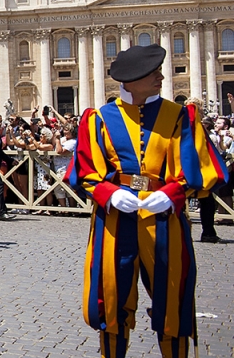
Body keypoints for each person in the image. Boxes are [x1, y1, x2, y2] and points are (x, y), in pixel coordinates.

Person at [68, 44, 227, 358]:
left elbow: (196, 169)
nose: (161, 76)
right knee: (111, 300)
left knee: (173, 301)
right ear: (131, 79)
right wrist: (108, 193)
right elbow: (86, 170)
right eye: (153, 73)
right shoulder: (98, 118)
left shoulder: (181, 116)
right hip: (114, 220)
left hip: (165, 220)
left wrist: (171, 195)